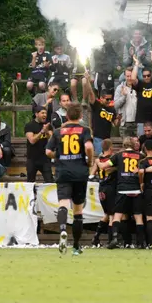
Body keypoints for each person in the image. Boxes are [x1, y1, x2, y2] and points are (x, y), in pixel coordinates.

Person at [45, 103, 94, 256]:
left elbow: (47, 151)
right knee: (78, 210)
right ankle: (76, 246)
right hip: (80, 171)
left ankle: (63, 230)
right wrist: (90, 161)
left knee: (63, 204)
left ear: (67, 116)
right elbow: (89, 147)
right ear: (80, 117)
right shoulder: (84, 130)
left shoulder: (58, 132)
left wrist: (58, 156)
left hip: (63, 171)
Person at [98, 137, 144, 249]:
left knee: (117, 215)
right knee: (138, 216)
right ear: (134, 145)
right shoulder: (141, 156)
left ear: (124, 145)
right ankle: (141, 242)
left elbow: (104, 167)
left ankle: (114, 238)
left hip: (122, 188)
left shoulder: (118, 155)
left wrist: (97, 162)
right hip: (135, 188)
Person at [83, 71, 118, 155]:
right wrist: (87, 80)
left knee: (106, 159)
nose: (109, 101)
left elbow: (115, 124)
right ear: (101, 98)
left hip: (108, 139)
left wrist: (118, 119)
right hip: (98, 138)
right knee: (100, 157)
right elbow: (91, 93)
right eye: (107, 99)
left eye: (110, 99)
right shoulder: (97, 105)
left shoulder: (112, 109)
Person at [131, 54, 152, 136]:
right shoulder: (140, 84)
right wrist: (136, 64)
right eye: (144, 76)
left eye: (148, 75)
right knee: (142, 141)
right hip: (142, 119)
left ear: (151, 75)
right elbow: (133, 78)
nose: (146, 77)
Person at [90, 138, 117, 247]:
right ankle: (111, 241)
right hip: (110, 188)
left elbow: (92, 174)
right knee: (112, 215)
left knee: (106, 214)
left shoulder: (98, 159)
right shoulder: (113, 159)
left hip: (101, 188)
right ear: (111, 148)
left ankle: (96, 237)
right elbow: (109, 170)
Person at [24, 107, 54, 183]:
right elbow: (32, 141)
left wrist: (47, 132)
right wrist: (42, 132)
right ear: (36, 114)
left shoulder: (47, 125)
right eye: (42, 113)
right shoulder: (29, 125)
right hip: (32, 159)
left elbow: (51, 140)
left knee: (50, 181)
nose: (45, 115)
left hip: (45, 159)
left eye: (45, 113)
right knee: (30, 183)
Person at [114, 67, 138, 138]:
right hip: (125, 123)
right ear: (124, 76)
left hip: (137, 122)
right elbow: (115, 105)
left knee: (137, 146)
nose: (129, 78)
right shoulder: (119, 88)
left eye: (131, 76)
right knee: (126, 146)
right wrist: (123, 96)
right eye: (127, 76)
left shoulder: (139, 87)